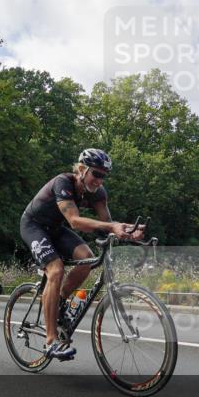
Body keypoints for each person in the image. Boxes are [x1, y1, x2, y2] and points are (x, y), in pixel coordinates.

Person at [20, 148, 142, 360]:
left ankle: (57, 301)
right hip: (34, 226)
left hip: (56, 229)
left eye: (104, 176)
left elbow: (107, 224)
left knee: (86, 259)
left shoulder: (99, 194)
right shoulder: (63, 183)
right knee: (56, 270)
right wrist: (112, 227)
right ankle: (51, 341)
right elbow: (75, 221)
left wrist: (128, 231)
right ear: (82, 169)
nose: (99, 181)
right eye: (96, 174)